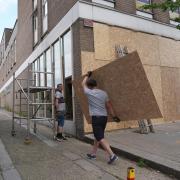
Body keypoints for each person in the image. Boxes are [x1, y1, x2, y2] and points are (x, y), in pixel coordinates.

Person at [82, 71, 120, 164]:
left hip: (97, 118)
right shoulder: (104, 93)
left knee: (99, 137)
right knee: (97, 136)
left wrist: (87, 75)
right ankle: (93, 154)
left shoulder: (88, 92)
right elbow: (109, 105)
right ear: (96, 85)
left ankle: (112, 155)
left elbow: (82, 83)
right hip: (104, 118)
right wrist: (114, 116)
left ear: (89, 86)